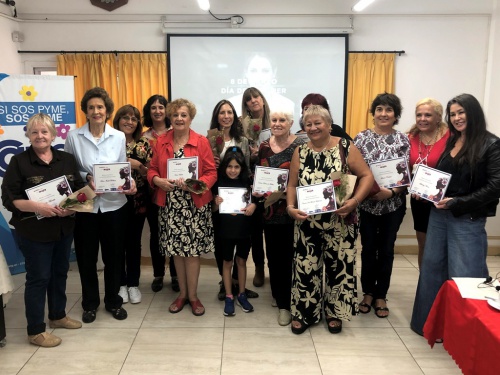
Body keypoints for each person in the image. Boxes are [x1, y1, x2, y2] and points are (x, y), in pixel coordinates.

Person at [410, 93, 500, 336]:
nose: (457, 118)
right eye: (453, 114)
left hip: (467, 219)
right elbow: (444, 179)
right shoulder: (452, 141)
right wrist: (424, 190)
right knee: (432, 270)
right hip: (439, 216)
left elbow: (495, 187)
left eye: (462, 112)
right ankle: (429, 325)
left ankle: (465, 335)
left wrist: (458, 203)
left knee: (466, 275)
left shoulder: (491, 144)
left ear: (474, 114)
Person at [286, 105, 374, 334]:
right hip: (307, 222)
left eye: (318, 123)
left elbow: (366, 176)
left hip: (340, 221)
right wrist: (289, 207)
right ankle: (306, 312)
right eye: (308, 124)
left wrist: (354, 202)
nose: (313, 128)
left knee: (339, 267)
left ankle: (335, 312)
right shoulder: (300, 151)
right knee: (306, 268)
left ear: (329, 124)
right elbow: (292, 184)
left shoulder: (346, 146)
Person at [1, 113, 84, 347]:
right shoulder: (19, 162)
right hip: (34, 232)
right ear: (28, 135)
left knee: (59, 273)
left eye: (44, 131)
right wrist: (36, 206)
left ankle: (57, 316)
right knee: (38, 278)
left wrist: (72, 208)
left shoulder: (66, 159)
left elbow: (79, 190)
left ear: (53, 134)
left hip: (63, 228)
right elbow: (9, 198)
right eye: (34, 132)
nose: (40, 136)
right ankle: (35, 330)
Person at [65, 87, 137, 323]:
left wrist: (129, 182)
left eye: (100, 107)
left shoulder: (117, 136)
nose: (96, 111)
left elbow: (121, 167)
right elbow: (69, 170)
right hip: (86, 205)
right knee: (86, 258)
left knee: (114, 257)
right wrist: (87, 177)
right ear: (85, 110)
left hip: (114, 205)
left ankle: (113, 302)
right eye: (92, 107)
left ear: (107, 111)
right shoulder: (74, 137)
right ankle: (90, 304)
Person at [147, 98, 217, 317]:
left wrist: (196, 185)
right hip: (170, 205)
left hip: (193, 204)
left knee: (193, 253)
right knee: (176, 251)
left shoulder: (201, 141)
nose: (179, 118)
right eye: (175, 115)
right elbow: (151, 170)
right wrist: (157, 181)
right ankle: (182, 294)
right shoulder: (161, 142)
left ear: (190, 118)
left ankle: (194, 296)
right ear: (170, 117)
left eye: (183, 115)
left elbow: (211, 172)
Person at [354, 93, 410, 318]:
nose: (383, 114)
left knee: (386, 250)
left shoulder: (403, 140)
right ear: (373, 113)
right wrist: (366, 191)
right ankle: (367, 292)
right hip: (366, 205)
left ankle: (380, 295)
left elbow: (406, 174)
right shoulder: (360, 138)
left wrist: (391, 192)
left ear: (395, 115)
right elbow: (355, 171)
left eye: (389, 110)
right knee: (368, 249)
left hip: (393, 205)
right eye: (379, 109)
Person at [256, 109, 305, 326]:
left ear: (291, 123)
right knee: (274, 257)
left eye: (282, 120)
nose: (277, 123)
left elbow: (303, 177)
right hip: (270, 211)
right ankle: (279, 297)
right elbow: (259, 173)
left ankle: (289, 301)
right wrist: (257, 189)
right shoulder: (264, 146)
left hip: (294, 210)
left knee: (292, 258)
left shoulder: (300, 147)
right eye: (274, 120)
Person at [207, 99, 258, 300]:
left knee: (241, 241)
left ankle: (238, 283)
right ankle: (225, 281)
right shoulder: (208, 140)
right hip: (218, 196)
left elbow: (246, 170)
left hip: (240, 197)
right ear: (216, 116)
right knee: (222, 243)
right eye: (222, 112)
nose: (226, 116)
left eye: (229, 112)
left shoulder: (243, 140)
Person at [113, 105, 152, 304]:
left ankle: (133, 284)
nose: (129, 122)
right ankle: (120, 284)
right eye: (125, 118)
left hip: (138, 200)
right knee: (117, 242)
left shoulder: (144, 143)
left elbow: (151, 173)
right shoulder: (109, 141)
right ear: (118, 119)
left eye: (134, 119)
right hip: (114, 199)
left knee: (133, 242)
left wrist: (140, 166)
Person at [212, 147, 257, 316]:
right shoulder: (219, 183)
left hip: (244, 229)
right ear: (224, 167)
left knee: (241, 261)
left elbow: (256, 203)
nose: (232, 170)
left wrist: (254, 205)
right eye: (229, 166)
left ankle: (242, 294)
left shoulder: (248, 184)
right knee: (227, 262)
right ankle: (229, 296)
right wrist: (216, 202)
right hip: (225, 230)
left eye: (236, 167)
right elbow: (214, 210)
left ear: (241, 168)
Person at [142, 94, 178, 293]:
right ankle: (158, 274)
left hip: (173, 191)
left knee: (172, 231)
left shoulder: (176, 134)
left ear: (167, 111)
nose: (157, 111)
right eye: (153, 107)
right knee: (156, 234)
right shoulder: (143, 137)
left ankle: (175, 274)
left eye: (161, 107)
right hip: (151, 191)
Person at [407, 98, 450, 268]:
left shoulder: (450, 138)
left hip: (443, 200)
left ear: (438, 117)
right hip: (419, 200)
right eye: (419, 115)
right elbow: (404, 169)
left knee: (443, 246)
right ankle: (425, 287)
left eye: (428, 115)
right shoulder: (410, 137)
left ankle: (443, 289)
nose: (422, 119)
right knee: (423, 245)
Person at [240, 87, 271, 288]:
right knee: (255, 230)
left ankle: (274, 267)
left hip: (272, 182)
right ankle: (259, 268)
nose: (253, 101)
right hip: (250, 181)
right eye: (249, 99)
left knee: (273, 228)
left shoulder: (274, 121)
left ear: (262, 99)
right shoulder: (242, 126)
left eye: (256, 97)